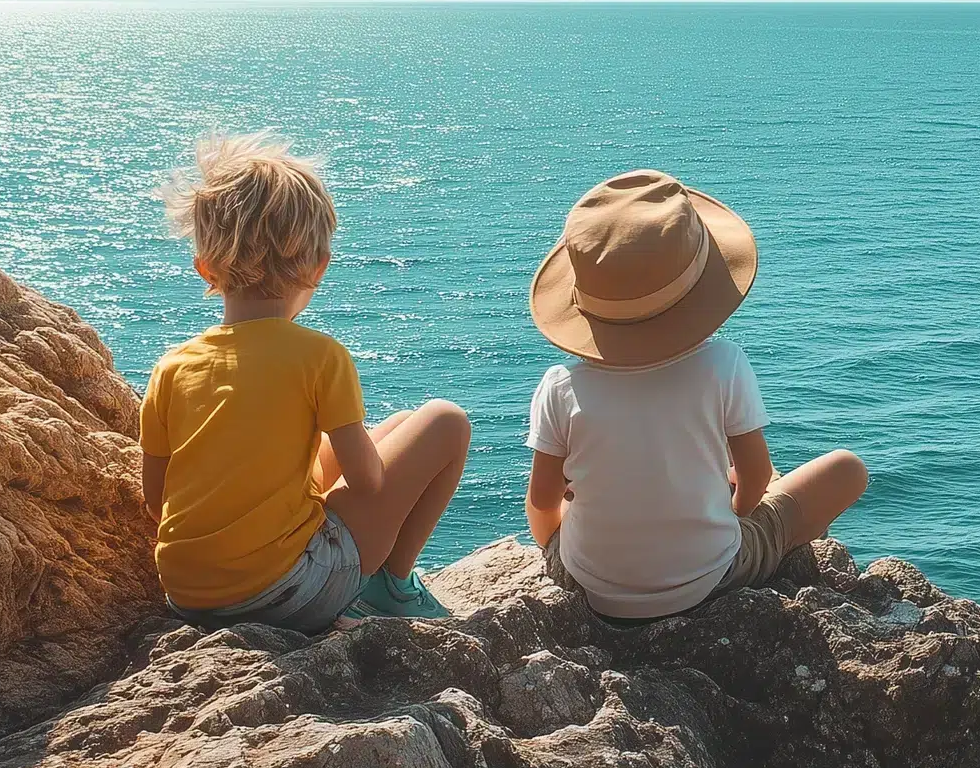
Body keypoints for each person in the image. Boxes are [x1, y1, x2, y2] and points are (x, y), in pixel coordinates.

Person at [141, 132, 472, 633]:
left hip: (187, 595)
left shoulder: (173, 367)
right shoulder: (320, 357)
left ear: (205, 268)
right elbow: (368, 483)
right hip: (288, 595)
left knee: (399, 424)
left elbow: (156, 498)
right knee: (443, 421)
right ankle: (391, 585)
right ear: (319, 267)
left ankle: (372, 577)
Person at [522, 170, 868, 621]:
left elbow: (543, 502)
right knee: (846, 469)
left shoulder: (561, 385)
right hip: (709, 579)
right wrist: (739, 517)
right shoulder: (723, 363)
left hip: (594, 589)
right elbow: (756, 476)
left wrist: (559, 554)